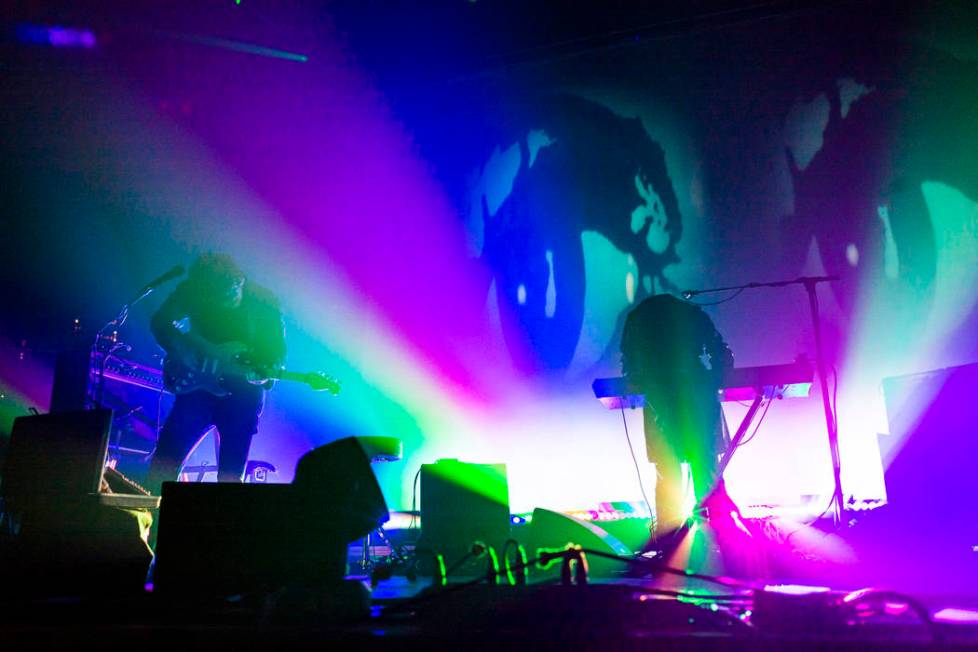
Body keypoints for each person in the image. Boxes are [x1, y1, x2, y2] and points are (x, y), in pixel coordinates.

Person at [145, 253, 286, 494]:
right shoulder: (193, 288)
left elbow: (277, 351)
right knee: (162, 470)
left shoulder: (264, 300)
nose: (227, 300)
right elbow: (161, 321)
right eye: (217, 298)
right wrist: (182, 349)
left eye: (231, 294)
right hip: (197, 389)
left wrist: (266, 371)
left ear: (238, 281)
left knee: (230, 480)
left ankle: (222, 529)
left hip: (242, 392)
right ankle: (152, 526)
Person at [620, 293, 734, 542]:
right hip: (697, 397)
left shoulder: (641, 316)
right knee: (704, 467)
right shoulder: (692, 314)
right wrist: (713, 381)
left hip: (661, 398)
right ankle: (718, 537)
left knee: (669, 470)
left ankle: (669, 542)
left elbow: (629, 365)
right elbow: (722, 354)